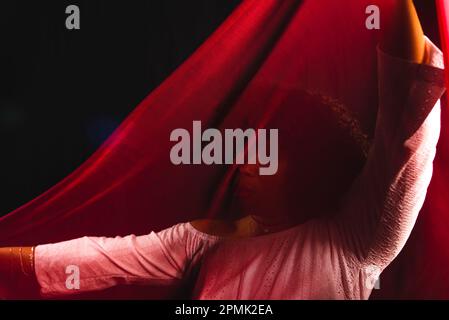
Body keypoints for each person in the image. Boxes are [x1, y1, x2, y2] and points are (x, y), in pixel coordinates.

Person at [0, 0, 446, 299]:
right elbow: (87, 259)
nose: (244, 165)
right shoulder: (200, 242)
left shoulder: (355, 238)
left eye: (267, 151)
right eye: (246, 147)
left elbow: (405, 117)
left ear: (310, 162)